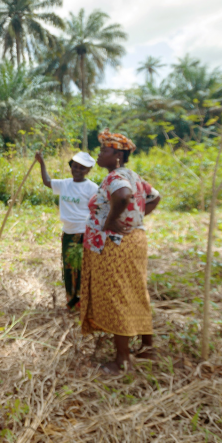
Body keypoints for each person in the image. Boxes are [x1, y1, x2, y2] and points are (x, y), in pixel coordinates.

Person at [80, 130, 162, 375]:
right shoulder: (132, 175)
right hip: (134, 240)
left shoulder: (116, 176)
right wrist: (135, 219)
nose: (99, 154)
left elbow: (124, 196)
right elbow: (155, 197)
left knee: (118, 295)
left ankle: (122, 360)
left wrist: (110, 222)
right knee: (135, 291)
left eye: (104, 150)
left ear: (117, 155)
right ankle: (148, 347)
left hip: (116, 245)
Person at [35, 150, 98, 309]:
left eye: (82, 168)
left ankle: (83, 301)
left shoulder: (92, 188)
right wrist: (41, 162)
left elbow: (98, 209)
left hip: (83, 232)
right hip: (68, 232)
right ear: (71, 167)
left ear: (88, 170)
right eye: (75, 166)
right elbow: (47, 181)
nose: (77, 170)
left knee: (82, 267)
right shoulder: (64, 184)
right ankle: (71, 299)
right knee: (69, 267)